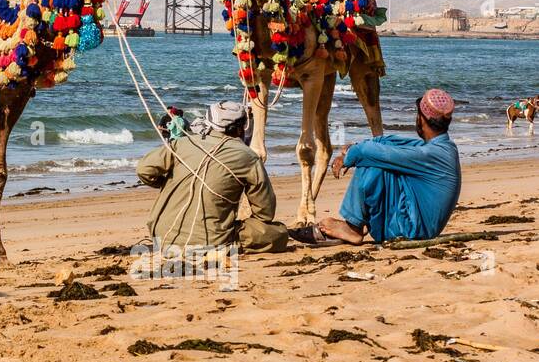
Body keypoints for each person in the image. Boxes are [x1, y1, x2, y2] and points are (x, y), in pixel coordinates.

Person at [297, 89, 462, 245]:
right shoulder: (443, 147)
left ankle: (352, 228)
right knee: (377, 152)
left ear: (421, 118)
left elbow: (370, 152)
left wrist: (350, 156)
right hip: (418, 224)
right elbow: (391, 142)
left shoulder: (433, 154)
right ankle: (355, 224)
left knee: (372, 162)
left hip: (412, 229)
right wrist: (355, 148)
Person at [137, 100, 289, 254]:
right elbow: (265, 212)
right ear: (242, 128)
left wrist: (166, 184)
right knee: (279, 233)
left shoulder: (181, 143)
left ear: (208, 123)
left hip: (161, 236)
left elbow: (144, 169)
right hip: (210, 241)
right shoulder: (248, 157)